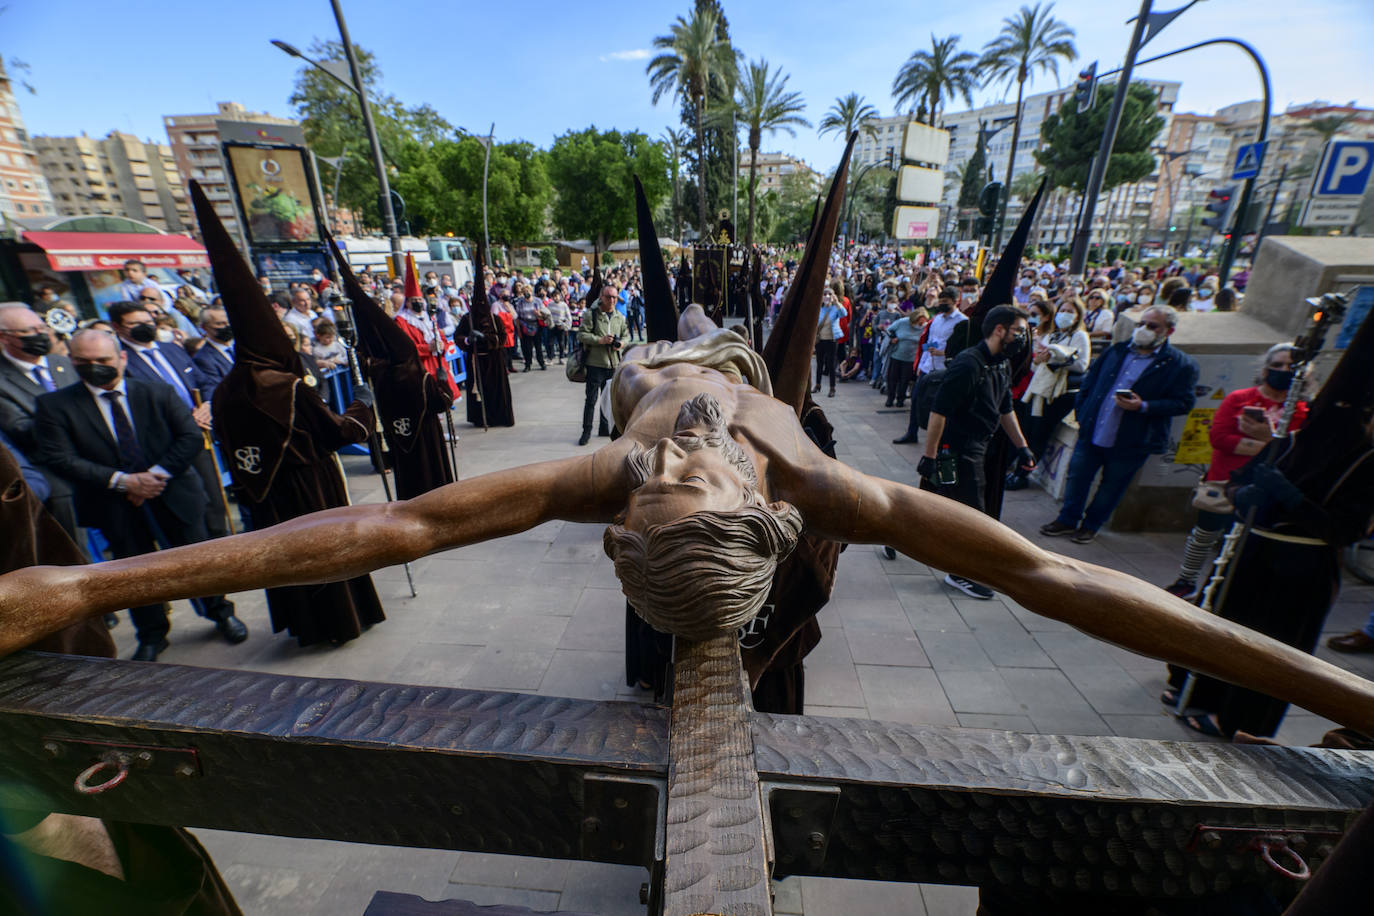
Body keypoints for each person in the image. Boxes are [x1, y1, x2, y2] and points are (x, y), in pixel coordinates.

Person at [34, 329, 246, 660]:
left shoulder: (156, 392)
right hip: (114, 503)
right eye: (84, 361)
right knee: (131, 575)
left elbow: (189, 437)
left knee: (196, 562)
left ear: (121, 357)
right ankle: (152, 633)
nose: (95, 367)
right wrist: (123, 482)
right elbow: (59, 457)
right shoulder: (54, 405)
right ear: (72, 361)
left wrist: (154, 476)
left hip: (174, 492)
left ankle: (221, 613)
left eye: (102, 360)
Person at [1040, 305, 1199, 544]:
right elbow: (1089, 384)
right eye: (1141, 324)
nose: (1144, 329)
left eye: (1152, 326)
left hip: (1133, 440)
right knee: (1077, 478)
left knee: (1111, 487)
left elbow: (1183, 403)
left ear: (1169, 331)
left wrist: (1144, 406)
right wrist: (1083, 414)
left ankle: (1090, 526)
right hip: (1093, 430)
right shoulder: (1117, 351)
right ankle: (1067, 520)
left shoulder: (1179, 364)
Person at [1162, 344, 1308, 599]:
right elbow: (1220, 438)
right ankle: (1186, 580)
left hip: (1263, 489)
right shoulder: (1240, 399)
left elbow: (1296, 455)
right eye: (1277, 365)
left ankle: (1218, 589)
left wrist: (1262, 441)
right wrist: (1269, 445)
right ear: (1265, 369)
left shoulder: (1303, 412)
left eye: (1291, 367)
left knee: (1239, 544)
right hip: (1222, 481)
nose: (1283, 371)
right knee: (1204, 535)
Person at [918, 305, 1036, 599]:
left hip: (977, 448)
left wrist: (1022, 447)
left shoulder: (1001, 364)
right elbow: (939, 412)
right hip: (954, 452)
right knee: (972, 516)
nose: (1022, 338)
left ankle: (894, 539)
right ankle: (961, 575)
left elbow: (1005, 408)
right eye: (1018, 331)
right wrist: (930, 456)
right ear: (999, 330)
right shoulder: (967, 365)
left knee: (936, 502)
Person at [107, 301, 230, 541]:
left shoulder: (172, 349)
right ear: (117, 326)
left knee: (215, 501)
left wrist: (207, 405)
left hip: (198, 437)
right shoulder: (122, 360)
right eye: (135, 323)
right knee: (187, 512)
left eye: (149, 321)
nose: (145, 326)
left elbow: (204, 382)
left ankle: (222, 545)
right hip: (164, 447)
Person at [0, 302, 81, 535]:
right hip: (51, 465)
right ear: (4, 337)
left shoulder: (64, 363)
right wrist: (79, 424)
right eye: (28, 331)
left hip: (97, 456)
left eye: (42, 328)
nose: (40, 335)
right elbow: (21, 429)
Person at [1006, 296, 1091, 490]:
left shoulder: (1079, 336)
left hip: (1059, 393)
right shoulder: (1051, 335)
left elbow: (1082, 364)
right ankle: (1016, 470)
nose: (1065, 315)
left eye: (1070, 311)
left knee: (1039, 436)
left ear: (1078, 315)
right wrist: (1039, 360)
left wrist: (1054, 358)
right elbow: (1036, 365)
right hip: (1039, 390)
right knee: (1027, 430)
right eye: (1063, 310)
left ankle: (1022, 475)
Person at [577, 282, 629, 446]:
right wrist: (599, 340)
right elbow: (582, 334)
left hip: (613, 364)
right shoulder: (591, 314)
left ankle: (605, 428)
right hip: (595, 363)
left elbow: (626, 335)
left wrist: (621, 344)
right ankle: (586, 432)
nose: (612, 300)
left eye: (614, 297)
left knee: (610, 400)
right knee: (591, 400)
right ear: (602, 297)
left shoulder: (619, 317)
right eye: (609, 297)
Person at [192, 307, 234, 403]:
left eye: (228, 322)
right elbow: (216, 392)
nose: (226, 326)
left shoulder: (241, 346)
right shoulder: (203, 359)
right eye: (219, 324)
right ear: (204, 327)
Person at [883, 305, 922, 408]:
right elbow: (888, 330)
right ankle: (890, 398)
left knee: (904, 380)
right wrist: (893, 338)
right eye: (918, 322)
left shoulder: (923, 326)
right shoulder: (903, 322)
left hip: (911, 359)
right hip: (896, 355)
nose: (919, 324)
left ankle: (901, 399)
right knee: (892, 379)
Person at [812, 287, 845, 398]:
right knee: (819, 363)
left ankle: (832, 388)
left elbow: (843, 314)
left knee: (831, 364)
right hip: (820, 339)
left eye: (829, 294)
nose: (826, 296)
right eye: (824, 294)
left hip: (832, 340)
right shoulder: (818, 308)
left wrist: (836, 302)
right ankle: (817, 385)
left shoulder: (835, 308)